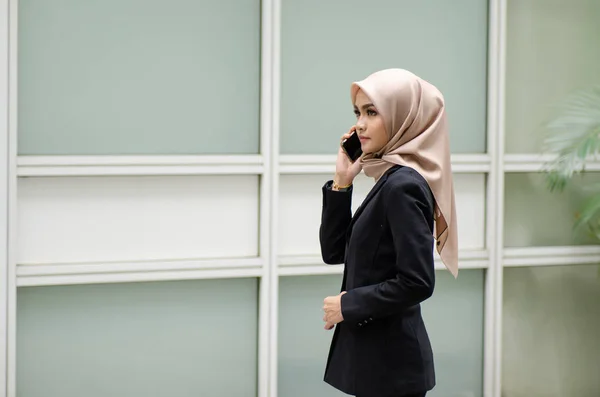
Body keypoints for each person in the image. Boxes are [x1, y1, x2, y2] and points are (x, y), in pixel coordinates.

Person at [319, 68, 459, 397]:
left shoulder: (403, 186)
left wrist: (348, 305)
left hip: (392, 370)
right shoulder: (389, 179)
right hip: (378, 368)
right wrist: (342, 182)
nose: (361, 124)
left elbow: (417, 281)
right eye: (357, 113)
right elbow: (334, 252)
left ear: (402, 116)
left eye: (372, 112)